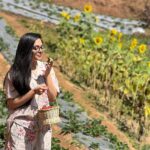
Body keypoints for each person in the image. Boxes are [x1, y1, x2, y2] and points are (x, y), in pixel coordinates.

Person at [3, 32, 60, 150]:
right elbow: (11, 104)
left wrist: (48, 74)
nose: (40, 51)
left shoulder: (45, 68)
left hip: (43, 127)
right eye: (35, 48)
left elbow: (52, 97)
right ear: (27, 49)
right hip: (22, 126)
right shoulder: (15, 73)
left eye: (41, 47)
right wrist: (32, 92)